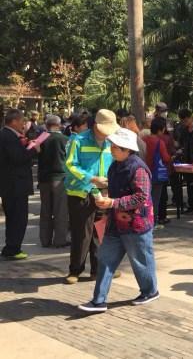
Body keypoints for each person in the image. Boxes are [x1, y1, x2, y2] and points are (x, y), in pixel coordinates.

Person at [78, 128, 159, 312]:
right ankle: (98, 300)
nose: (111, 149)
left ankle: (150, 291)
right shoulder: (115, 166)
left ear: (127, 149)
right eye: (112, 146)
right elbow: (118, 187)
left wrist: (113, 202)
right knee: (105, 259)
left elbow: (141, 197)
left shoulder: (138, 168)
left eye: (115, 147)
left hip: (136, 224)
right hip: (116, 222)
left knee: (141, 261)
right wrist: (105, 189)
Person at [63, 109, 120, 284]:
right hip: (81, 193)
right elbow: (69, 165)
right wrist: (92, 179)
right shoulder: (78, 140)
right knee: (81, 234)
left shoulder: (111, 142)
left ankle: (98, 269)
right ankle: (75, 270)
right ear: (95, 125)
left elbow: (115, 164)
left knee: (100, 234)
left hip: (103, 194)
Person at [0, 109, 40, 259]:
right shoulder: (8, 136)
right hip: (15, 184)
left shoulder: (7, 135)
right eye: (22, 121)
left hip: (11, 184)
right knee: (18, 218)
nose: (24, 124)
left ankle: (11, 247)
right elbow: (18, 158)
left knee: (13, 217)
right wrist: (34, 150)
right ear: (14, 121)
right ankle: (13, 249)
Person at [38, 115, 70, 248]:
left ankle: (45, 240)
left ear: (46, 125)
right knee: (60, 210)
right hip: (60, 178)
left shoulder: (41, 138)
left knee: (45, 210)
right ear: (59, 125)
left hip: (44, 178)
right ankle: (60, 240)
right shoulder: (65, 139)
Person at [144, 117, 172, 225]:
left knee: (146, 199)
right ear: (161, 129)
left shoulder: (143, 139)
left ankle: (144, 220)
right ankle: (152, 222)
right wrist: (172, 157)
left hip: (144, 173)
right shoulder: (159, 142)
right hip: (156, 174)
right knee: (155, 200)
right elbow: (166, 158)